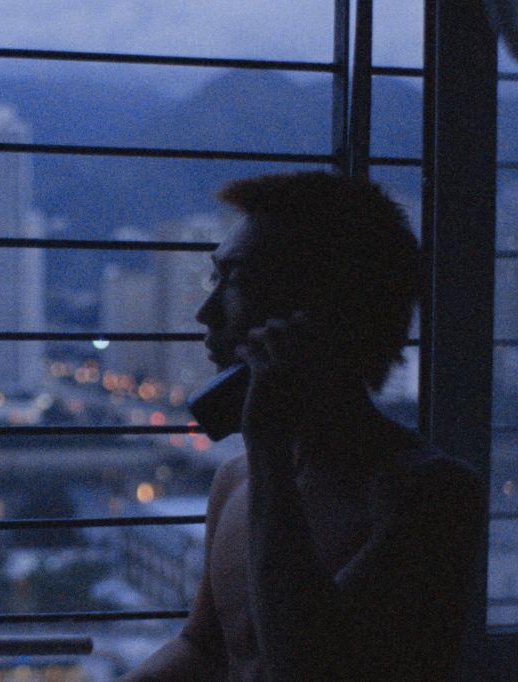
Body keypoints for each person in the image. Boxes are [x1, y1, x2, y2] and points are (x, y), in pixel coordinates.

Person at [123, 172, 484, 681]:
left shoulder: (431, 497)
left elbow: (306, 669)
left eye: (236, 281)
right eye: (213, 279)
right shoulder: (236, 481)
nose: (206, 312)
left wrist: (268, 446)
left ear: (317, 311)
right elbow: (204, 648)